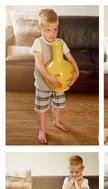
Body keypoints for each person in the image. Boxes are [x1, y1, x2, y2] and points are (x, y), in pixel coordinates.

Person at [31, 8, 79, 144]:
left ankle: (56, 122)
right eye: (48, 30)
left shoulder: (61, 42)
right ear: (40, 29)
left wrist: (77, 72)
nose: (52, 34)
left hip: (59, 84)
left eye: (55, 29)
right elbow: (39, 64)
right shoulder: (38, 43)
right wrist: (49, 78)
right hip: (43, 84)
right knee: (42, 109)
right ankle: (41, 130)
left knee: (57, 105)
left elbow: (71, 59)